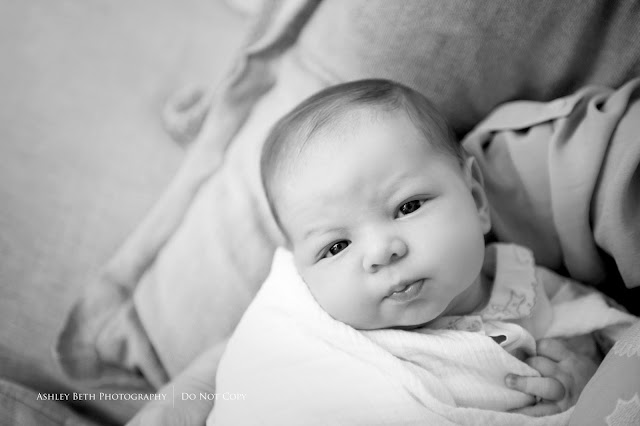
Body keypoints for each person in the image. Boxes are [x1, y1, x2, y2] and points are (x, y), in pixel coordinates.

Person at [258, 78, 637, 415]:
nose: (380, 253)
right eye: (337, 246)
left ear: (476, 199)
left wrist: (585, 380)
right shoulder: (326, 344)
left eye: (407, 207)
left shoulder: (530, 289)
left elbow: (613, 344)